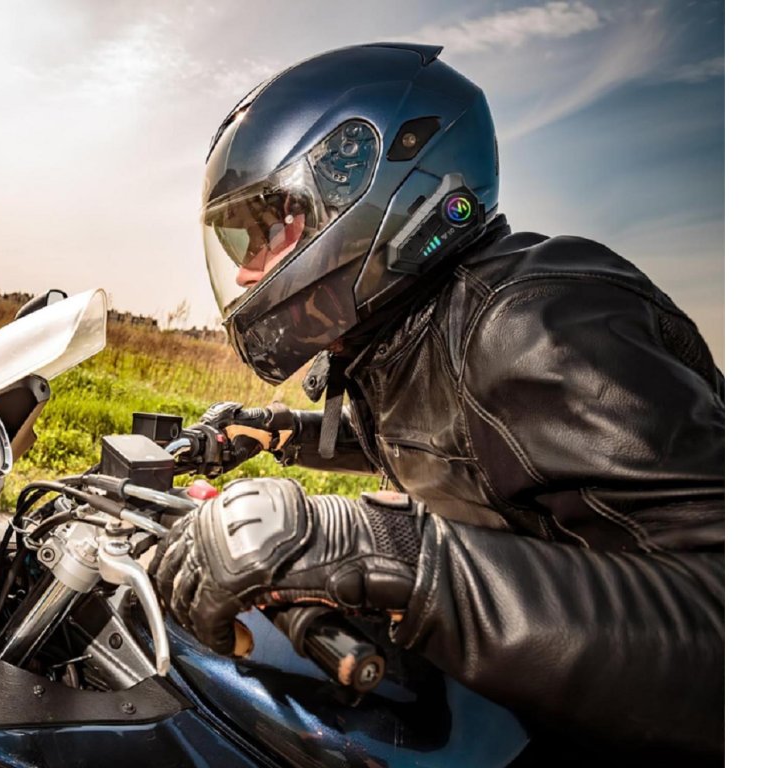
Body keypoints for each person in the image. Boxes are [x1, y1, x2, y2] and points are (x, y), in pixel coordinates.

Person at [155, 42, 723, 764]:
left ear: (370, 185)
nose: (245, 270)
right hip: (514, 706)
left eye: (269, 227)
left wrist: (379, 546)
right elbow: (456, 439)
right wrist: (273, 433)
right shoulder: (401, 335)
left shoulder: (534, 322)